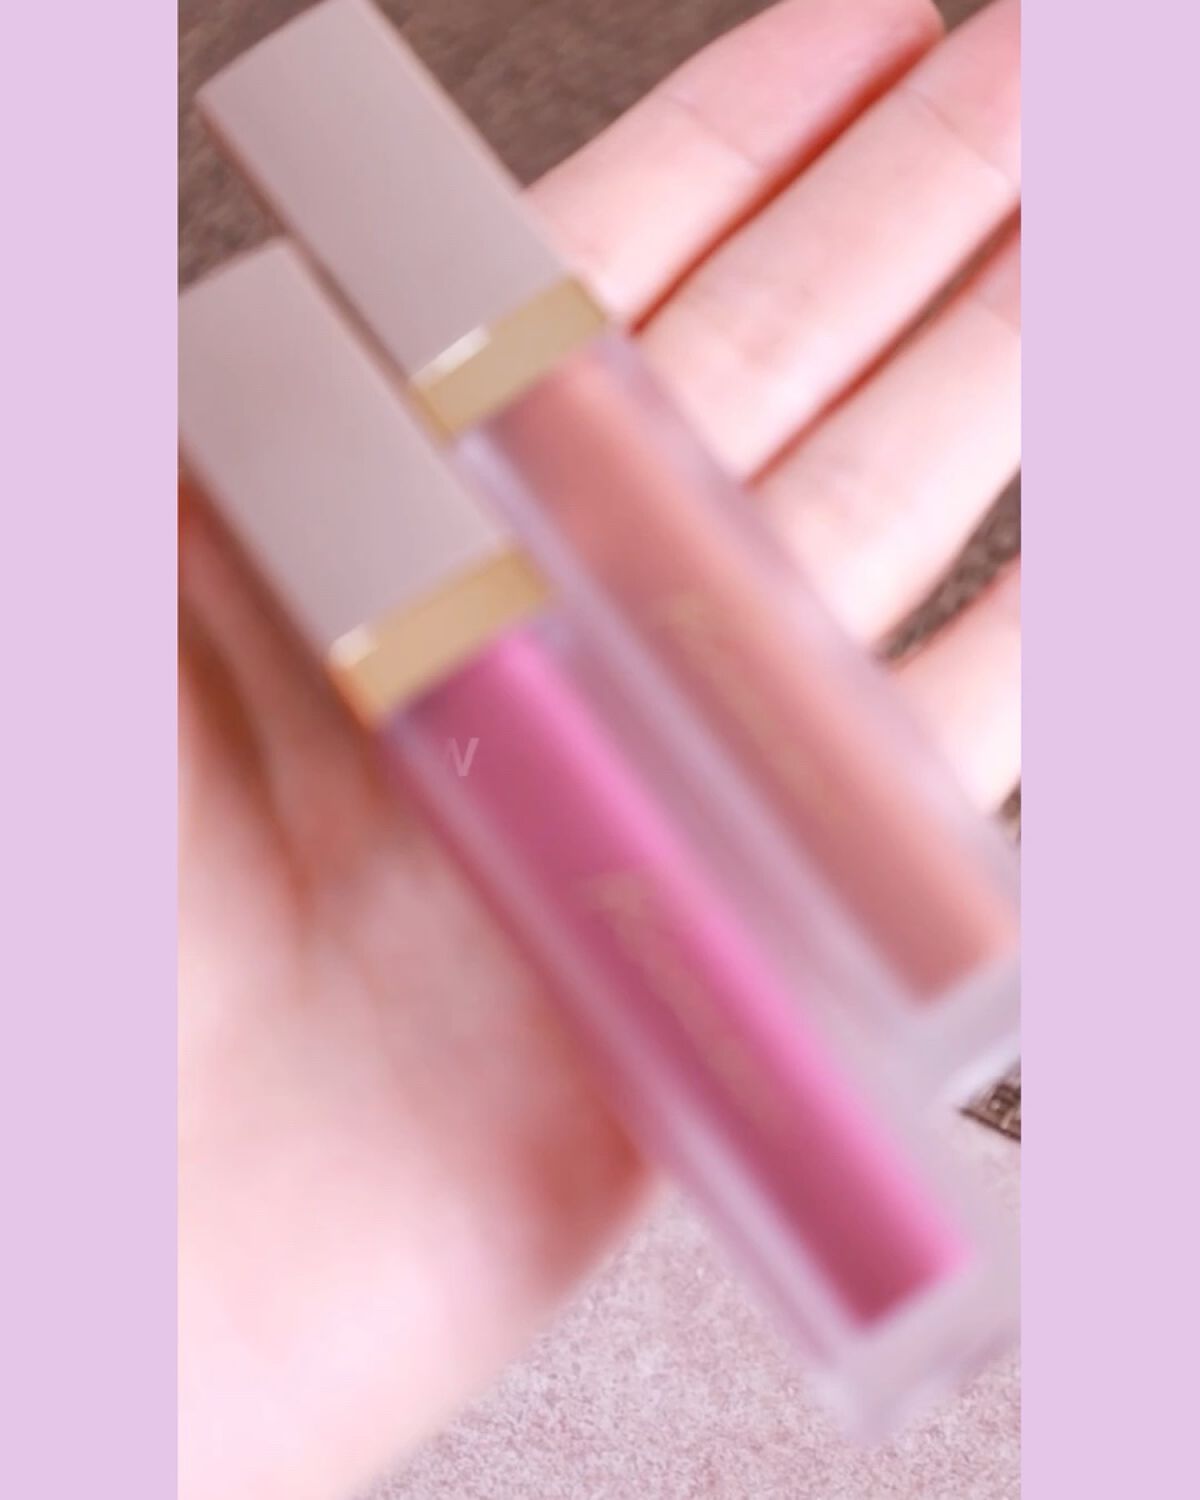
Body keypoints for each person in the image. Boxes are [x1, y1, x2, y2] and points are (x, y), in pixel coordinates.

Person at [178, 1, 1020, 1496]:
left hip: (479, 528)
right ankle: (925, 1135)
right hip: (420, 647)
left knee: (704, 664)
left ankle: (957, 975)